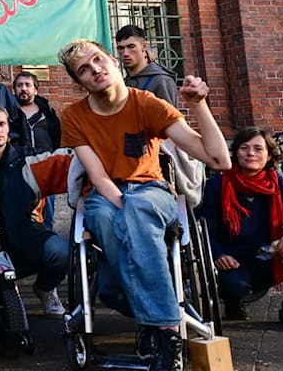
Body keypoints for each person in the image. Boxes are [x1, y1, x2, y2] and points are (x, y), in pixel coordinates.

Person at [57, 39, 231, 371]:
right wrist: (126, 209)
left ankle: (159, 326)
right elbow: (99, 177)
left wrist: (200, 105)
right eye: (84, 70)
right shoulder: (74, 117)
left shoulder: (147, 104)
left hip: (151, 189)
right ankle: (157, 321)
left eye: (97, 60)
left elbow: (219, 160)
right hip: (106, 194)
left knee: (135, 210)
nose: (95, 70)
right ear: (79, 83)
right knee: (110, 217)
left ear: (111, 59)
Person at [198, 127, 283, 332]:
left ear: (269, 155)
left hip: (268, 255)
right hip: (233, 260)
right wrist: (218, 254)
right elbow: (203, 228)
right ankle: (234, 301)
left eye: (258, 148)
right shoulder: (218, 184)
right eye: (244, 147)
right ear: (235, 153)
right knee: (235, 287)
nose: (250, 153)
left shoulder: (276, 182)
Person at [0, 104, 67, 316]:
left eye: (1, 124)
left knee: (60, 251)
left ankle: (44, 289)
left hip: (25, 230)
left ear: (9, 127)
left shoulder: (27, 158)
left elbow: (59, 167)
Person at [8, 70, 62, 229]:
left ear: (35, 89)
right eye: (19, 85)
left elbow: (57, 137)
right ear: (14, 89)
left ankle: (48, 239)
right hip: (21, 168)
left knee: (48, 212)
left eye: (27, 85)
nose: (23, 88)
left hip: (46, 167)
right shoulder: (11, 113)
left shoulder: (48, 112)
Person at [115, 25, 177, 106]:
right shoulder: (124, 82)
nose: (125, 53)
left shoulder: (161, 81)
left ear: (144, 47)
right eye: (121, 48)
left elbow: (170, 117)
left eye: (131, 47)